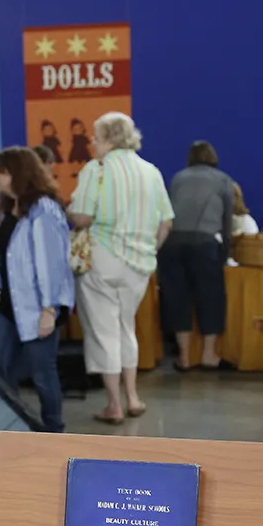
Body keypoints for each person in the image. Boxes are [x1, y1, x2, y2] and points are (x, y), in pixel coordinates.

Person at [68, 112, 174, 424]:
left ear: (110, 139)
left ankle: (113, 405)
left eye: (96, 137)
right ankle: (133, 397)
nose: (92, 143)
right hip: (140, 265)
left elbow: (84, 217)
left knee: (104, 332)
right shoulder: (151, 171)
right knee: (126, 328)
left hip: (102, 258)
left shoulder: (96, 170)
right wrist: (149, 250)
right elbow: (166, 222)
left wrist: (70, 212)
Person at [0, 146, 74, 433]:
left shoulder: (44, 210)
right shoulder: (11, 209)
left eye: (1, 172)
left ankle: (54, 434)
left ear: (17, 174)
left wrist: (49, 309)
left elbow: (51, 263)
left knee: (42, 375)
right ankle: (12, 430)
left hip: (39, 308)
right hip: (10, 305)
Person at [160, 140, 235, 371]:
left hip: (171, 245)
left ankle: (183, 357)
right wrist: (225, 252)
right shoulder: (223, 180)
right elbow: (227, 221)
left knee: (177, 298)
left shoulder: (177, 178)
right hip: (204, 243)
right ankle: (208, 355)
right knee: (210, 298)